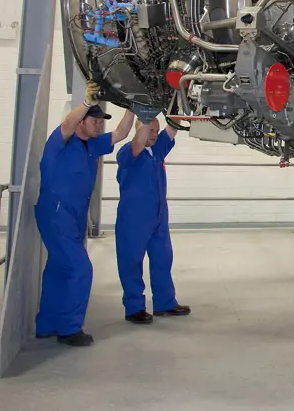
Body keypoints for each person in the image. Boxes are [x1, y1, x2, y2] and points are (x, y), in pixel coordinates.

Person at [35, 82, 134, 347]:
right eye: (94, 120)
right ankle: (69, 328)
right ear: (82, 121)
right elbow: (68, 123)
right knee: (80, 269)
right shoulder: (60, 144)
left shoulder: (92, 145)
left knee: (58, 269)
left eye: (101, 121)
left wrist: (134, 107)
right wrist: (87, 102)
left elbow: (122, 133)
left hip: (74, 218)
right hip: (57, 216)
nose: (99, 125)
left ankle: (46, 324)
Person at [115, 115, 190, 324]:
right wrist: (144, 113)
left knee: (163, 258)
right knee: (131, 261)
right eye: (151, 131)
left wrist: (180, 104)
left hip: (158, 215)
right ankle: (134, 307)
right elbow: (137, 143)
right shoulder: (128, 153)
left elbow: (172, 130)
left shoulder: (156, 152)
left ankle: (165, 302)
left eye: (156, 132)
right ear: (140, 130)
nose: (155, 136)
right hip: (134, 217)